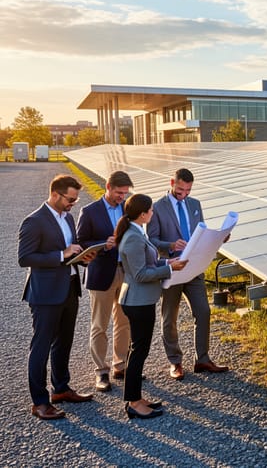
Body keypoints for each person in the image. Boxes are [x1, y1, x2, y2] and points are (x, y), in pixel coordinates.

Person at [18, 174, 98, 420]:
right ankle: (40, 402)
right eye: (70, 200)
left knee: (63, 343)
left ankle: (61, 389)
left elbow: (70, 249)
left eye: (75, 200)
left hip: (69, 288)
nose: (73, 204)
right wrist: (61, 254)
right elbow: (25, 258)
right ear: (55, 194)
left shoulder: (69, 217)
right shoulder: (34, 221)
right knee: (41, 347)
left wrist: (81, 257)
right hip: (45, 293)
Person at [148, 168, 228, 380]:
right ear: (172, 182)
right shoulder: (157, 208)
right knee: (169, 317)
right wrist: (171, 244)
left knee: (203, 312)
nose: (184, 194)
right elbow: (152, 240)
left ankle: (202, 359)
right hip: (172, 268)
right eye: (180, 189)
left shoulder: (195, 204)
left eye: (188, 190)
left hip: (194, 269)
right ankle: (175, 362)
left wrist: (217, 238)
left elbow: (200, 232)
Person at [116, 194, 187, 419]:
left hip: (141, 300)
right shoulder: (133, 238)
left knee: (138, 350)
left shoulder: (137, 232)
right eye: (151, 211)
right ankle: (133, 403)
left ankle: (135, 397)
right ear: (143, 214)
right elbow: (140, 274)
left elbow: (149, 263)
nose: (153, 213)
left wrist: (168, 263)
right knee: (139, 351)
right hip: (138, 301)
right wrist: (169, 270)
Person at [76, 170, 133, 392]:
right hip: (101, 273)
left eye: (125, 193)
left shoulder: (127, 209)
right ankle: (101, 372)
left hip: (125, 271)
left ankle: (121, 365)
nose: (122, 197)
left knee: (124, 321)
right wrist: (103, 244)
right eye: (119, 192)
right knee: (100, 325)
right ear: (108, 187)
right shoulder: (89, 211)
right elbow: (81, 242)